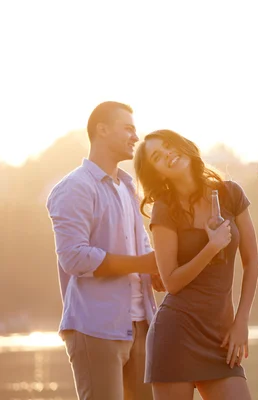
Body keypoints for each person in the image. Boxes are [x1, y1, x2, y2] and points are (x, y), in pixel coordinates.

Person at [46, 101, 162, 400]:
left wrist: (156, 272)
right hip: (95, 328)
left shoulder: (128, 187)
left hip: (141, 325)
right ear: (102, 129)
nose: (135, 137)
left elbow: (145, 250)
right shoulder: (75, 188)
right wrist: (142, 262)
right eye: (128, 129)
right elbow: (74, 256)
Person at [134, 129, 258, 400]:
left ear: (182, 145)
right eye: (157, 155)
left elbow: (252, 262)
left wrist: (241, 322)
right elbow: (172, 282)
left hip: (221, 335)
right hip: (176, 334)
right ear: (156, 172)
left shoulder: (230, 194)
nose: (167, 153)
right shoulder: (165, 208)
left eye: (169, 145)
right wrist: (211, 246)